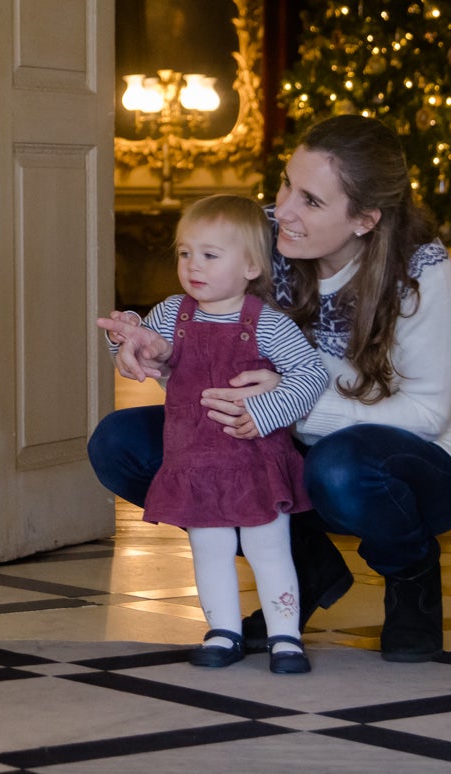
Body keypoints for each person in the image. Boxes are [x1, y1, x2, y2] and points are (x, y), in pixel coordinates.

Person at [98, 115, 451, 662]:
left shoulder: (423, 278)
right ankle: (303, 566)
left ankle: (412, 576)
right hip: (282, 451)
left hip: (416, 466)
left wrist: (287, 402)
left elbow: (425, 415)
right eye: (285, 184)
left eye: (312, 201)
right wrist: (149, 349)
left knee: (342, 467)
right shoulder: (263, 242)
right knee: (122, 443)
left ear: (366, 219)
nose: (285, 211)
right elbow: (204, 340)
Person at [97, 195, 329, 673]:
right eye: (185, 253)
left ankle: (286, 635)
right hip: (195, 461)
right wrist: (128, 335)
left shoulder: (264, 321)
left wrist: (267, 412)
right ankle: (223, 628)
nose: (192, 266)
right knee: (209, 549)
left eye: (209, 255)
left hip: (254, 460)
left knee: (268, 547)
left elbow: (309, 374)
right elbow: (146, 343)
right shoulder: (173, 313)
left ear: (250, 266)